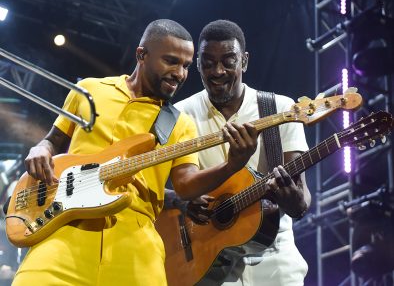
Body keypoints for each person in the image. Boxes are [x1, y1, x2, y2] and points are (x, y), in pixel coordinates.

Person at [12, 19, 259, 286]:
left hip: (136, 247)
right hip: (62, 237)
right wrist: (40, 148)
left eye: (186, 65)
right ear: (141, 55)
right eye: (171, 61)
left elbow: (186, 187)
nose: (180, 73)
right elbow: (53, 140)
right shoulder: (90, 90)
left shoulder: (180, 122)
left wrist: (232, 165)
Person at [173, 20, 311, 285]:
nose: (218, 71)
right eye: (208, 62)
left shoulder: (280, 109)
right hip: (206, 263)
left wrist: (296, 201)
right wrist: (181, 201)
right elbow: (158, 190)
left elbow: (300, 194)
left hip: (275, 263)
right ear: (198, 62)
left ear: (244, 61)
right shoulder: (180, 115)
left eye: (228, 61)